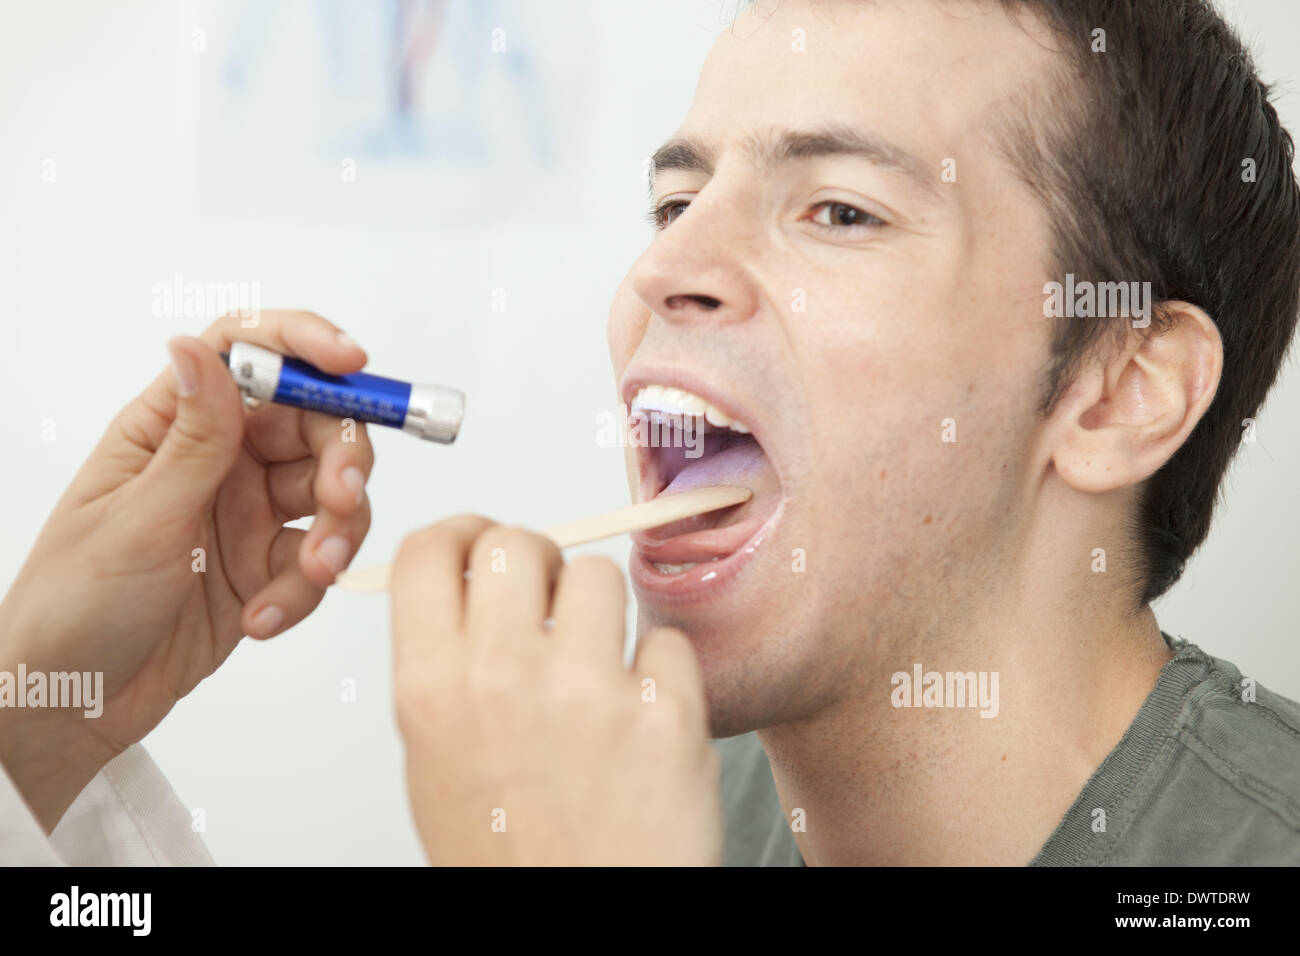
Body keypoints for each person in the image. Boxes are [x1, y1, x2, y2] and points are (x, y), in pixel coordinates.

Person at [4, 0, 1300, 866]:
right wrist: (49, 736)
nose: (667, 266)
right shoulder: (641, 780)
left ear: (1121, 389)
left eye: (839, 212)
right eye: (675, 198)